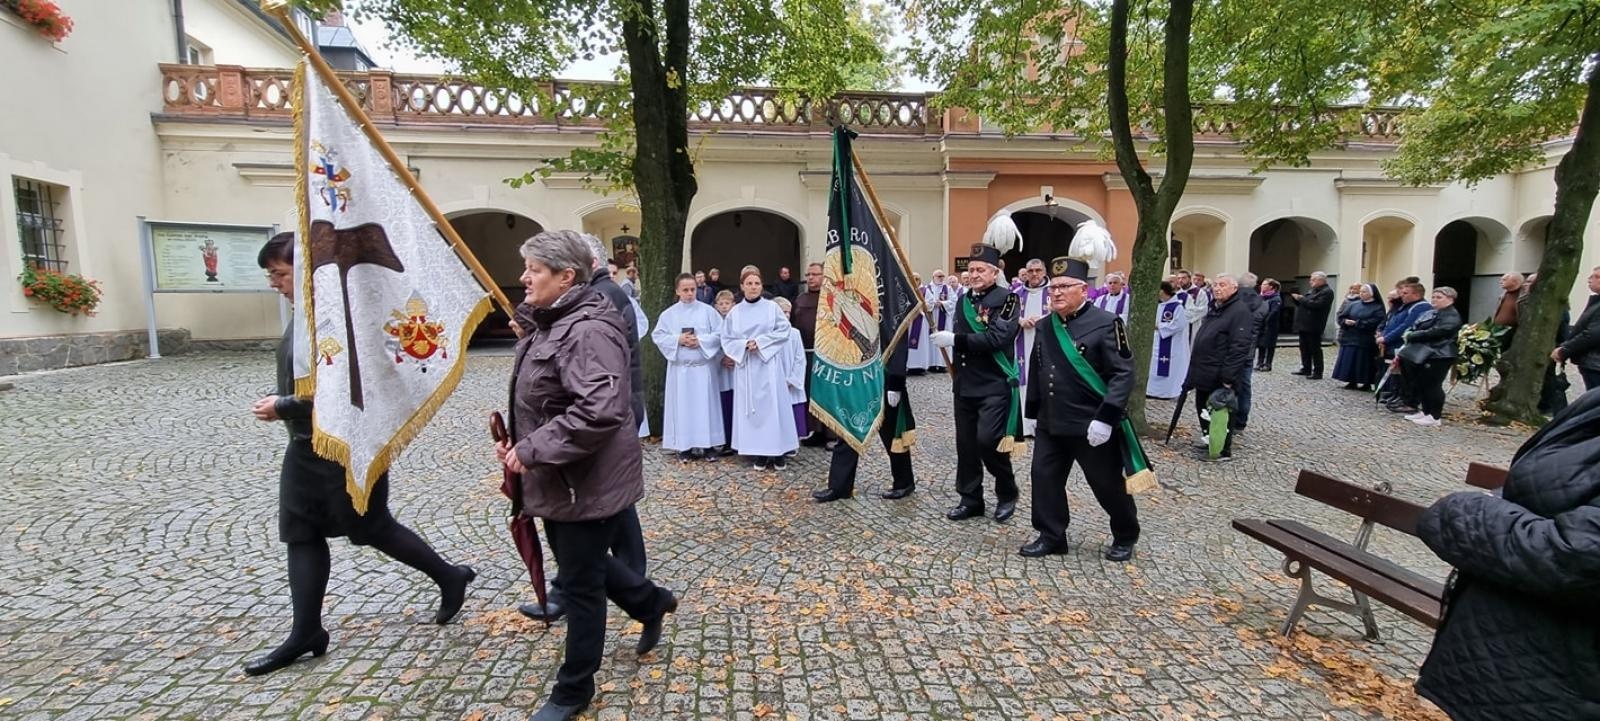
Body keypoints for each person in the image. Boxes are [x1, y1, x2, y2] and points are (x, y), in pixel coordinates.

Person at [243, 233, 476, 677]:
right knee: (301, 533)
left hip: (345, 445)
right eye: (271, 274)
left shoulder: (336, 318)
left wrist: (284, 405)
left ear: (307, 272)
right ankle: (306, 630)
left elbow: (349, 387)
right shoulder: (306, 315)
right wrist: (285, 403)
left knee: (372, 528)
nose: (274, 283)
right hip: (304, 446)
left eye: (280, 273)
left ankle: (448, 576)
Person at [498, 230, 678, 721]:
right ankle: (651, 602)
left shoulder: (588, 329)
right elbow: (548, 398)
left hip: (584, 478)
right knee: (585, 564)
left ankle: (573, 689)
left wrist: (533, 448)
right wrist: (518, 443)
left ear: (566, 276)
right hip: (561, 473)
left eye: (534, 269)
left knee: (579, 582)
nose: (524, 277)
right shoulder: (550, 322)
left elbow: (598, 409)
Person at [1410, 388, 1600, 721]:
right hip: (1507, 662)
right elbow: (1540, 490)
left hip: (1560, 685)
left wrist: (1461, 512)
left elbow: (1578, 556)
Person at [1021, 258, 1140, 561]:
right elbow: (1038, 369)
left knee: (1107, 484)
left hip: (1090, 423)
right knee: (1043, 478)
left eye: (1064, 287)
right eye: (1054, 287)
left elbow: (1123, 374)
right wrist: (1032, 412)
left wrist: (1106, 418)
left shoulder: (1106, 323)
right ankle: (1051, 535)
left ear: (1084, 290)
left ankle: (1125, 534)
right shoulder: (1047, 325)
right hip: (1052, 421)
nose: (1056, 293)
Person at [930, 244, 1022, 523]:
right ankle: (971, 499)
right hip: (965, 383)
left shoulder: (1008, 300)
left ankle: (1007, 491)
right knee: (966, 446)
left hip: (994, 383)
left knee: (988, 441)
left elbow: (998, 338)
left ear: (995, 272)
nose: (974, 274)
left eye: (981, 269)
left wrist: (955, 340)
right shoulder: (963, 300)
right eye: (970, 269)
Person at [812, 337, 919, 502]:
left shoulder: (891, 309)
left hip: (884, 374)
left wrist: (896, 381)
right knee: (849, 426)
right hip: (859, 372)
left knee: (891, 433)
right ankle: (839, 486)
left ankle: (904, 482)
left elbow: (899, 336)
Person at [721, 266, 799, 470]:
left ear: (761, 285)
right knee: (752, 411)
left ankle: (778, 451)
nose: (753, 287)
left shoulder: (772, 308)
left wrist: (761, 342)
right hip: (747, 366)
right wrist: (744, 345)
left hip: (768, 365)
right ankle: (760, 453)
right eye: (749, 283)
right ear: (742, 286)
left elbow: (784, 330)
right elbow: (727, 338)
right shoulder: (735, 313)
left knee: (773, 409)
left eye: (757, 283)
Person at [652, 273, 726, 461]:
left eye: (692, 289)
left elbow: (720, 333)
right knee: (683, 409)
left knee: (705, 408)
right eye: (685, 290)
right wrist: (678, 339)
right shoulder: (668, 314)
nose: (690, 293)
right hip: (681, 370)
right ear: (677, 291)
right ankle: (684, 447)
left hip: (703, 368)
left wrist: (700, 341)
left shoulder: (708, 311)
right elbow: (658, 336)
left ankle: (708, 446)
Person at [1184, 274, 1255, 461]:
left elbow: (1239, 347)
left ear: (1234, 288)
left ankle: (1222, 449)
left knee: (1221, 411)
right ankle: (1210, 440)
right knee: (1204, 408)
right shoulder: (1217, 308)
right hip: (1205, 371)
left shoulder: (1239, 312)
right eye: (1215, 285)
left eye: (1222, 285)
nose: (1217, 288)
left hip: (1220, 373)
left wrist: (1229, 377)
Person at [1398, 287, 1464, 427]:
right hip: (1429, 353)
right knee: (1422, 384)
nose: (1434, 299)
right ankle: (1426, 411)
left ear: (1450, 299)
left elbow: (1439, 331)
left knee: (1432, 385)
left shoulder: (1451, 315)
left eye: (1439, 297)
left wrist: (1414, 335)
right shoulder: (1437, 313)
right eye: (1433, 296)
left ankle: (1435, 416)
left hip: (1441, 354)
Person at [1012, 259, 1050, 437]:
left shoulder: (1053, 292)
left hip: (1046, 343)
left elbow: (1062, 313)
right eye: (1031, 271)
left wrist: (1041, 319)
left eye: (1038, 270)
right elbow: (1007, 316)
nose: (1034, 274)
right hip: (1022, 342)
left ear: (1044, 272)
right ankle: (1025, 425)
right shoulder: (1016, 293)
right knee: (1025, 379)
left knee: (1044, 379)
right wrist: (1020, 320)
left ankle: (1042, 424)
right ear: (1025, 273)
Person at [1380, 281, 1430, 411]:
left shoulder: (1420, 307)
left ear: (1416, 294)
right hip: (1395, 345)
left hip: (1405, 345)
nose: (1402, 295)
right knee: (1398, 372)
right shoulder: (1405, 306)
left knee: (1406, 375)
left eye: (1405, 293)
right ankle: (1397, 395)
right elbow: (1392, 321)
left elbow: (1406, 326)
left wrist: (1386, 338)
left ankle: (1406, 400)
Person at [794, 262, 828, 445]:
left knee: (826, 394)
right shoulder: (800, 299)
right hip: (805, 353)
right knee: (810, 392)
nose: (811, 278)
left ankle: (831, 434)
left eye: (815, 274)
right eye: (808, 275)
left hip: (826, 355)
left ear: (824, 276)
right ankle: (815, 431)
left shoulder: (830, 299)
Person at [1552, 266, 1600, 391]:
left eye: (1596, 277)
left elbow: (1592, 334)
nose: (1590, 279)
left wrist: (1564, 350)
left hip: (1596, 364)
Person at [1331, 283, 1386, 391]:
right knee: (1350, 360)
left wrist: (1357, 323)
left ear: (1371, 294)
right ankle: (1351, 381)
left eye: (1364, 291)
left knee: (1364, 362)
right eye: (1361, 291)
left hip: (1365, 339)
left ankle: (1366, 383)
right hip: (1350, 336)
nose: (1361, 293)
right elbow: (1342, 316)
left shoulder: (1377, 307)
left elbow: (1376, 321)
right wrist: (1345, 321)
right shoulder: (1353, 304)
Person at [773, 297, 808, 443]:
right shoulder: (769, 334)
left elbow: (800, 358)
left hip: (790, 380)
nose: (786, 315)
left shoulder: (794, 333)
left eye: (788, 312)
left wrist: (793, 379)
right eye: (783, 312)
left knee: (793, 410)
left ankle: (792, 442)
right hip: (774, 380)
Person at [1147, 281, 1190, 399]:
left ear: (1162, 291)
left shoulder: (1177, 306)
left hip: (1171, 344)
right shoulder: (1158, 305)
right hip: (1156, 341)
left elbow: (1179, 324)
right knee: (1154, 365)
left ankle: (1167, 392)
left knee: (1168, 367)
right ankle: (1152, 392)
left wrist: (1159, 326)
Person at [1289, 271, 1334, 379]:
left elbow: (1316, 305)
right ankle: (1306, 368)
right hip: (1304, 324)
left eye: (1313, 280)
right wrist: (1296, 299)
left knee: (1315, 348)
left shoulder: (1327, 292)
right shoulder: (1313, 290)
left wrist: (1301, 298)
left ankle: (1318, 371)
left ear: (1321, 280)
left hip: (1314, 325)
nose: (1310, 282)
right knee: (1304, 347)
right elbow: (1304, 304)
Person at [712, 290, 737, 455]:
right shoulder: (714, 322)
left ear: (733, 305)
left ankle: (734, 440)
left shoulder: (737, 321)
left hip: (735, 368)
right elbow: (713, 343)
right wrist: (721, 357)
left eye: (727, 303)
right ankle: (723, 439)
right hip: (720, 370)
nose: (724, 307)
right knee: (722, 405)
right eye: (720, 304)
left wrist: (734, 356)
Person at [924, 269, 955, 372]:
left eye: (942, 276)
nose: (941, 278)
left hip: (944, 317)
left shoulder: (948, 288)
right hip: (931, 317)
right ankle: (931, 363)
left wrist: (942, 303)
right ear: (933, 277)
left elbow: (953, 301)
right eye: (939, 276)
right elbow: (924, 302)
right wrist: (933, 304)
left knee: (944, 337)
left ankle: (942, 364)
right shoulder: (927, 288)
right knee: (931, 338)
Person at [906, 272, 933, 374]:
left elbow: (931, 303)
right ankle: (909, 365)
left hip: (921, 320)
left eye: (917, 279)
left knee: (922, 343)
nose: (915, 281)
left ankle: (920, 366)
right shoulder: (908, 289)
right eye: (913, 278)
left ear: (920, 280)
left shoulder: (925, 291)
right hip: (910, 320)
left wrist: (920, 308)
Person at [1254, 278, 1282, 371]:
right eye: (1262, 284)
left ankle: (1268, 363)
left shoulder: (1276, 298)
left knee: (1269, 345)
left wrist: (1266, 320)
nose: (1262, 286)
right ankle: (1260, 362)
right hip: (1260, 324)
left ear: (1271, 287)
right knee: (1261, 344)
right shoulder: (1261, 297)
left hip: (1270, 325)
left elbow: (1274, 312)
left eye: (1264, 284)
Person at [1493, 272, 1524, 349]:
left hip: (1512, 332)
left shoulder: (1523, 296)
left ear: (1514, 281)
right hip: (1498, 330)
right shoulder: (1504, 294)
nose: (1501, 282)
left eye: (1504, 280)